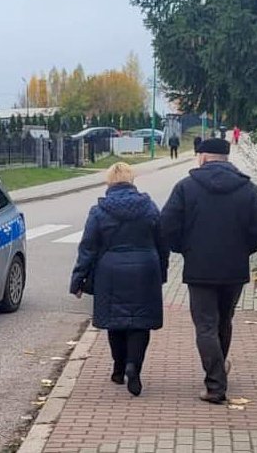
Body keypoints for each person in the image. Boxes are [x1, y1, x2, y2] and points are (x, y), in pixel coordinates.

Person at [160, 138, 257, 404]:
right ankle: (218, 370)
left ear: (203, 157)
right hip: (234, 268)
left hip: (200, 267)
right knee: (224, 321)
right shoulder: (247, 189)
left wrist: (184, 248)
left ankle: (215, 385)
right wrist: (245, 250)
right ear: (225, 158)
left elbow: (167, 225)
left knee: (206, 325)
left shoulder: (186, 188)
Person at [70, 162, 169, 396]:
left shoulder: (99, 211)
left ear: (109, 183)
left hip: (110, 271)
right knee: (140, 322)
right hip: (146, 269)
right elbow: (162, 241)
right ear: (131, 181)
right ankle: (134, 365)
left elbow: (88, 248)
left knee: (116, 322)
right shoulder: (149, 207)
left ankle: (118, 368)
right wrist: (162, 271)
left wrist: (78, 279)